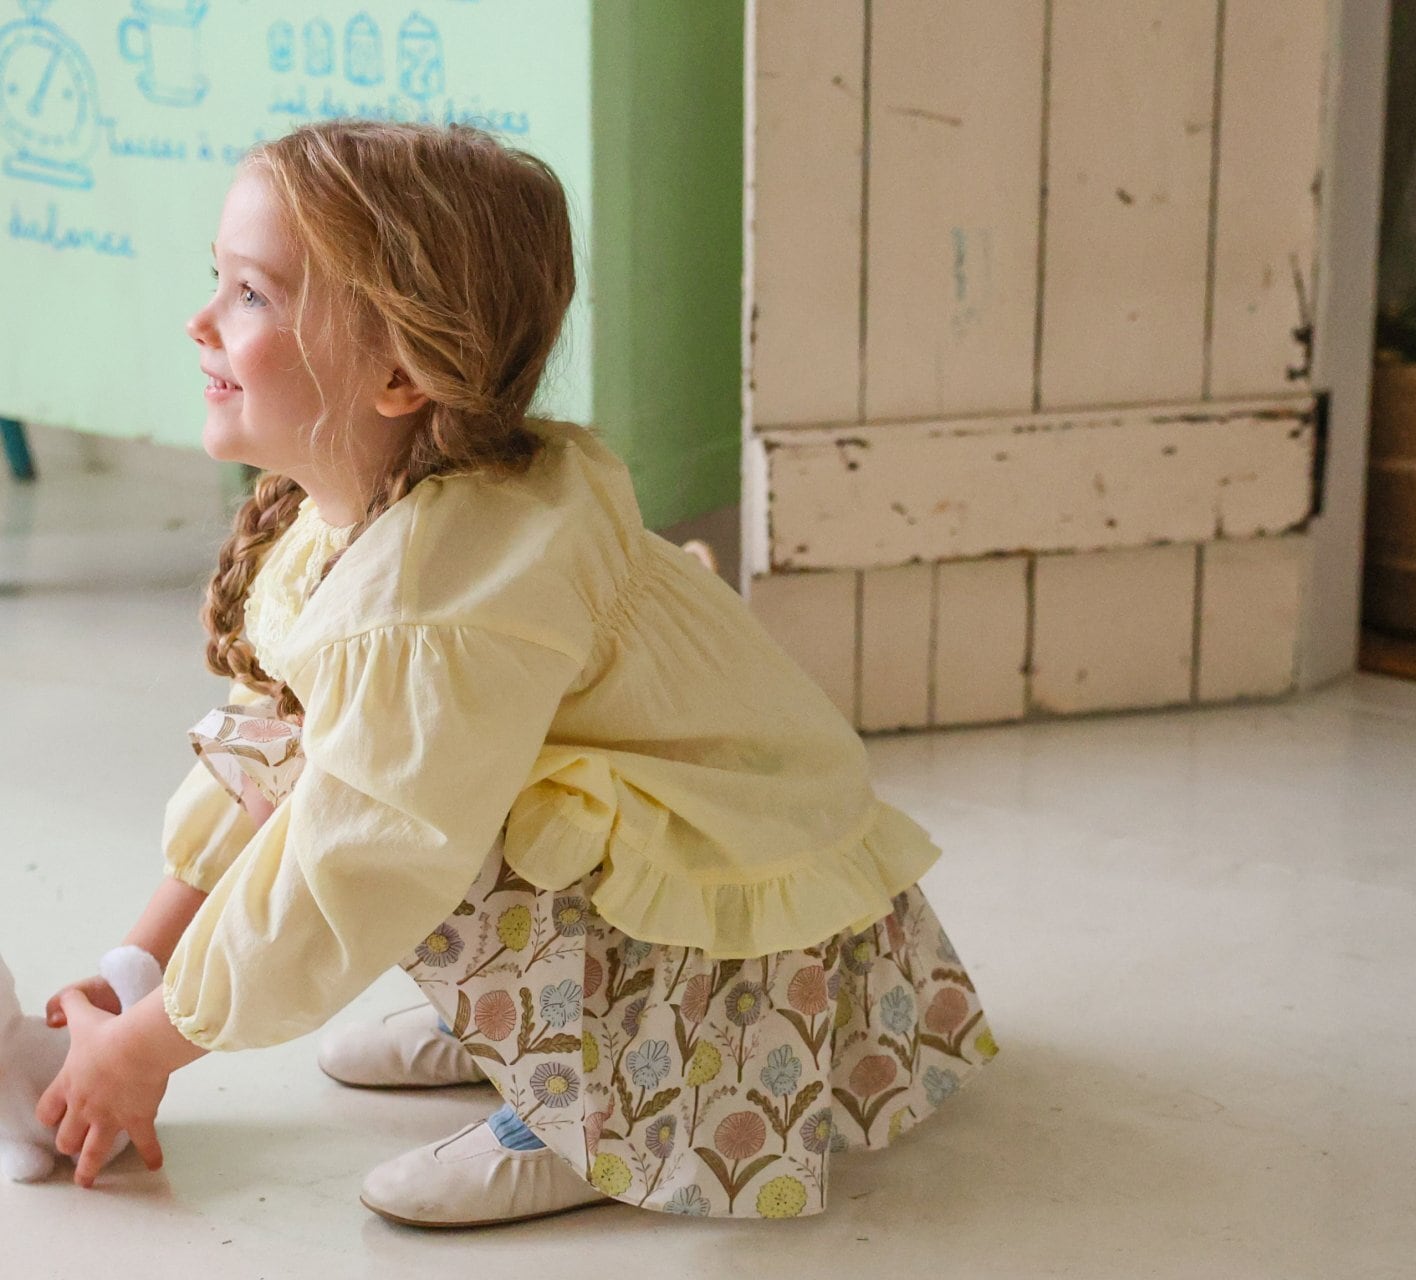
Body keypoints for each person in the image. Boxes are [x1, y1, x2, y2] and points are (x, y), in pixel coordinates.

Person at [38, 119, 998, 1227]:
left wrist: (147, 1050)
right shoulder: (367, 520)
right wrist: (134, 969)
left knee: (392, 815)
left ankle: (604, 1104)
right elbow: (265, 755)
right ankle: (521, 1030)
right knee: (334, 756)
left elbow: (346, 870)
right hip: (660, 864)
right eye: (219, 280)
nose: (202, 319)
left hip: (727, 918)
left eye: (252, 293)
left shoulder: (438, 602)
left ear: (399, 373)